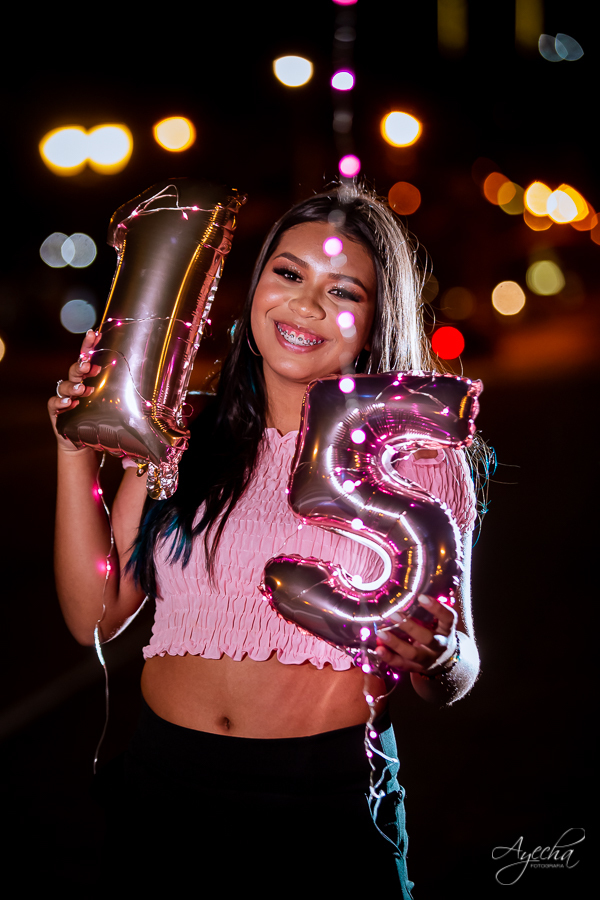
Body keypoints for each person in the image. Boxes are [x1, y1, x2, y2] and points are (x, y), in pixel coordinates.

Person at [49, 183, 479, 894]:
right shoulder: (182, 434)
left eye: (342, 292)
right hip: (164, 794)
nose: (305, 305)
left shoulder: (417, 455)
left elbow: (458, 667)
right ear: (255, 287)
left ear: (375, 320)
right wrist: (73, 454)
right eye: (288, 273)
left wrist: (442, 657)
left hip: (323, 803)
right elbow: (95, 615)